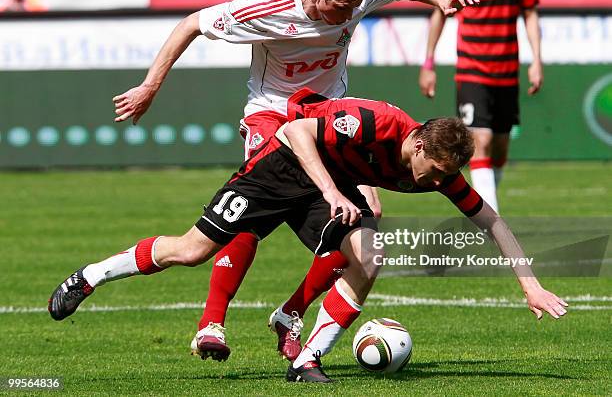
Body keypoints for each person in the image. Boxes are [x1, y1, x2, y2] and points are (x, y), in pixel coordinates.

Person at [49, 88, 568, 383]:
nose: (428, 183)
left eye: (438, 178)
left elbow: (492, 222)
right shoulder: (375, 121)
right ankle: (90, 276)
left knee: (370, 254)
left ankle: (307, 358)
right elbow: (296, 132)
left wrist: (530, 285)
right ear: (415, 140)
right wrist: (337, 191)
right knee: (191, 251)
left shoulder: (440, 171)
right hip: (280, 169)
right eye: (428, 171)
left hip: (328, 188)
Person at [111, 0, 479, 361]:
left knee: (365, 219)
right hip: (272, 115)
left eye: (351, 10)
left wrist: (443, 0)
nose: (346, 18)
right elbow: (191, 24)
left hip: (330, 118)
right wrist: (150, 86)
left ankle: (291, 313)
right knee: (255, 210)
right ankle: (212, 322)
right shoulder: (270, 7)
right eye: (340, 9)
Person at [419, 0, 542, 213]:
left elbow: (530, 14)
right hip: (472, 69)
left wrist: (536, 60)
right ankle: (492, 219)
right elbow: (441, 11)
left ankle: (489, 204)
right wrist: (428, 63)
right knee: (480, 141)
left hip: (507, 72)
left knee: (499, 147)